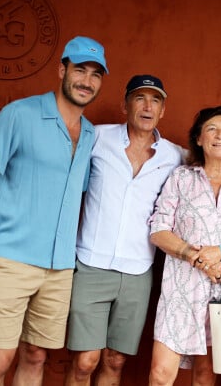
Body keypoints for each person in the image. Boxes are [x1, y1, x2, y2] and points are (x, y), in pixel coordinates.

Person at [0, 36, 108, 386]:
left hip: (59, 267)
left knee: (36, 355)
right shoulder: (19, 114)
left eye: (96, 74)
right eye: (80, 70)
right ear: (61, 70)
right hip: (11, 258)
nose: (87, 81)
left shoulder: (89, 135)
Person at [65, 75, 183, 385]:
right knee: (85, 362)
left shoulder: (174, 156)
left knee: (115, 361)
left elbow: (209, 167)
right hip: (91, 266)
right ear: (125, 105)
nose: (147, 106)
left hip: (137, 272)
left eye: (155, 100)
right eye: (139, 98)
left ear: (163, 110)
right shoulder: (97, 137)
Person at [148, 106, 221, 386]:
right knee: (160, 373)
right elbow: (158, 229)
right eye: (211, 128)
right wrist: (197, 258)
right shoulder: (181, 178)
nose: (219, 135)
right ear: (199, 139)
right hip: (180, 289)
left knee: (204, 376)